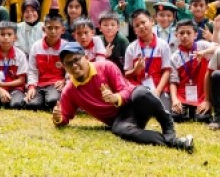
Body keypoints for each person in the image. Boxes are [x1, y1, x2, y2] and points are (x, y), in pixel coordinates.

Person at [53, 44, 194, 152]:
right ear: (64, 67)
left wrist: (116, 98)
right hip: (120, 119)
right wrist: (58, 119)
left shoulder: (106, 66)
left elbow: (125, 90)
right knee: (120, 130)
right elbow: (64, 116)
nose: (74, 65)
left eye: (76, 59)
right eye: (68, 63)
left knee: (141, 94)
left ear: (86, 57)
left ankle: (167, 125)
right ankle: (174, 142)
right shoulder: (69, 90)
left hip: (133, 101)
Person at [123, 9, 174, 107]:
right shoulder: (131, 48)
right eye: (137, 25)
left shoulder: (163, 45)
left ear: (152, 21)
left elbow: (167, 71)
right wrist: (135, 70)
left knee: (164, 110)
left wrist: (158, 91)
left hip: (160, 88)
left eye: (143, 22)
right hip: (139, 89)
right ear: (134, 30)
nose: (141, 27)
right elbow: (127, 74)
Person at [168, 20, 214, 122]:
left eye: (188, 33)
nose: (185, 36)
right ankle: (185, 110)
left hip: (202, 94)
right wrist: (175, 100)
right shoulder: (174, 57)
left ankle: (200, 109)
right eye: (181, 33)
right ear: (176, 35)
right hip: (183, 94)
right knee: (176, 117)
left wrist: (204, 52)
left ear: (195, 35)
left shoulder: (202, 45)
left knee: (203, 118)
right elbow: (173, 81)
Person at [25, 11, 68, 110]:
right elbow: (32, 70)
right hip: (39, 84)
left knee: (52, 101)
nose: (53, 31)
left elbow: (70, 70)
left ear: (63, 30)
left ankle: (49, 98)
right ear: (44, 29)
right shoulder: (36, 46)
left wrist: (64, 80)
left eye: (57, 28)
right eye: (49, 28)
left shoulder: (66, 47)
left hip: (56, 84)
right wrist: (31, 87)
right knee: (32, 105)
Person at [0, 21, 28, 109]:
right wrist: (0, 89)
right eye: (2, 34)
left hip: (15, 88)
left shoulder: (20, 55)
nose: (6, 37)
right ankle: (1, 98)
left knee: (15, 104)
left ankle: (7, 99)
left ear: (15, 37)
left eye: (9, 34)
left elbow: (21, 80)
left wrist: (2, 84)